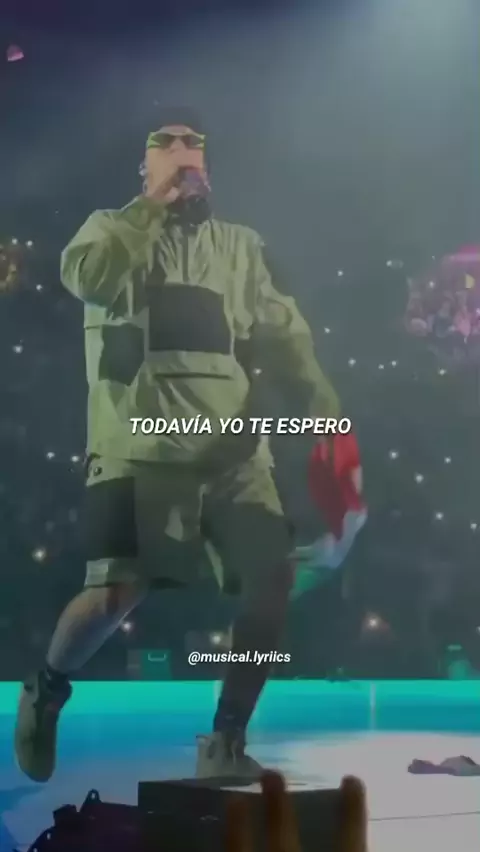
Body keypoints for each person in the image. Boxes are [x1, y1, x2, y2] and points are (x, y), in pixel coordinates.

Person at [14, 107, 340, 784]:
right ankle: (46, 689)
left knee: (272, 578)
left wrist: (322, 406)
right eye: (166, 143)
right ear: (145, 165)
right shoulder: (109, 228)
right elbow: (90, 279)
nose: (184, 148)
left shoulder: (241, 247)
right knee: (116, 594)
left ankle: (226, 737)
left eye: (195, 142)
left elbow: (285, 331)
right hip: (140, 443)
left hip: (231, 449)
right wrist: (149, 209)